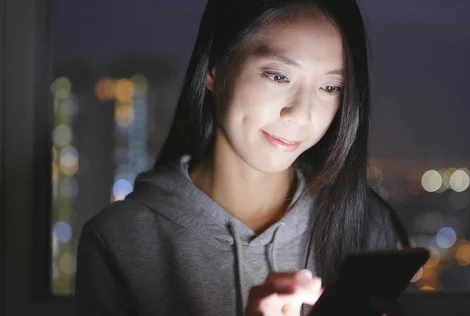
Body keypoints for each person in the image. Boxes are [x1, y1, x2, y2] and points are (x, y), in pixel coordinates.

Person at [75, 0, 410, 315]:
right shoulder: (121, 241)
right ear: (214, 69)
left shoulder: (363, 223)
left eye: (330, 88)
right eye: (278, 76)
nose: (301, 114)